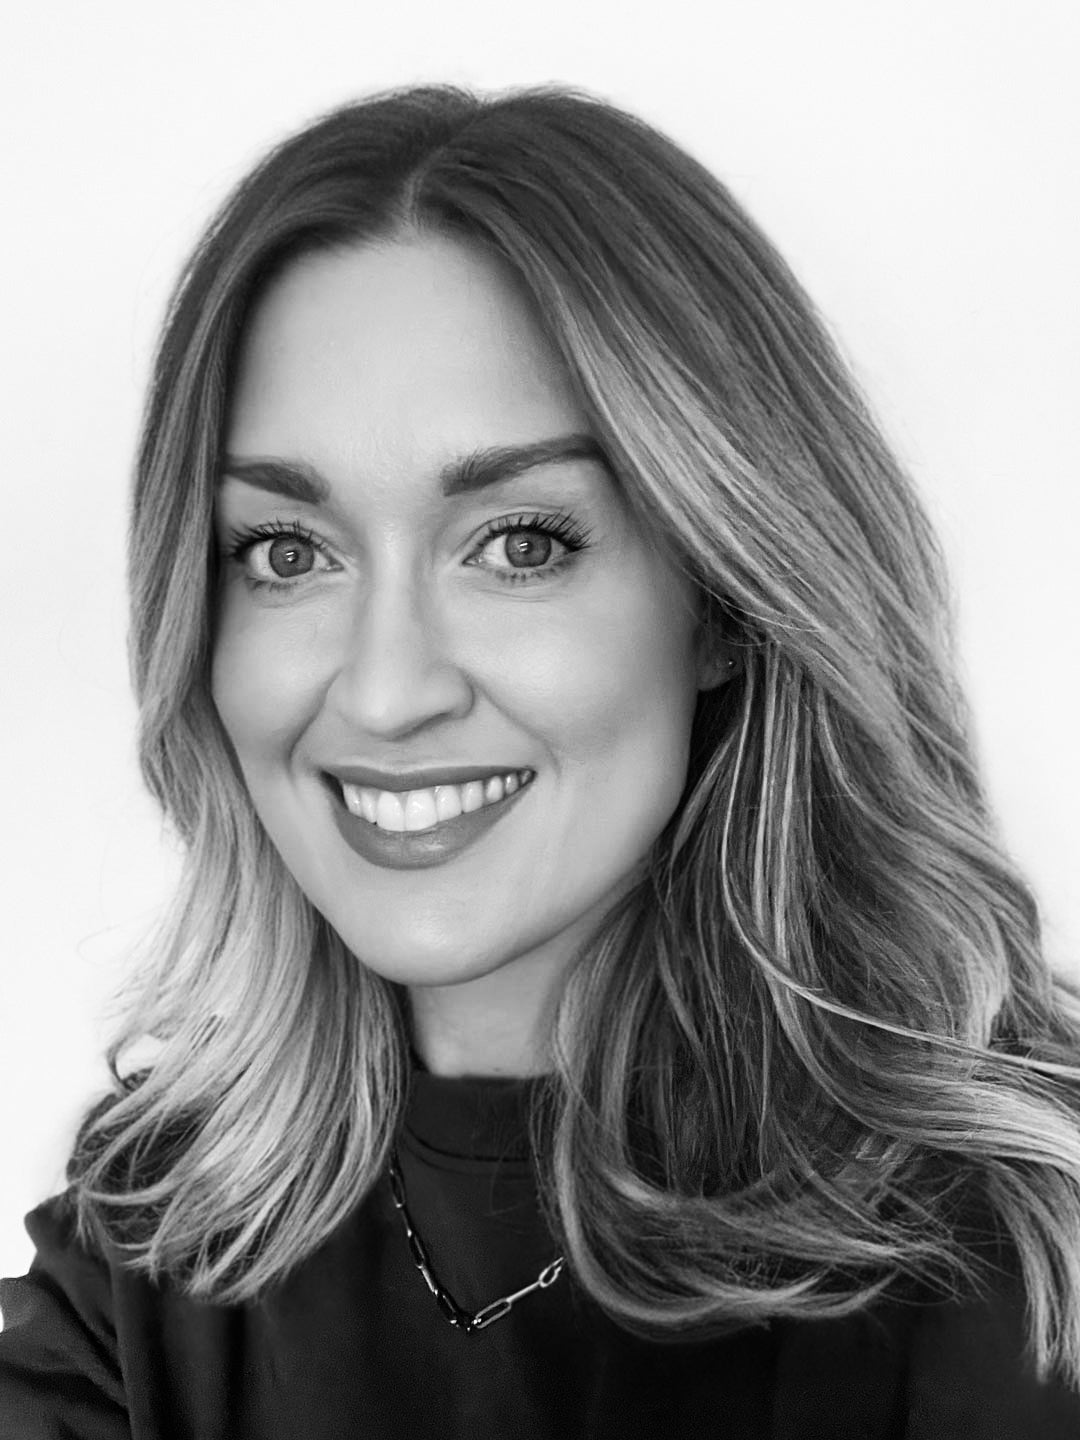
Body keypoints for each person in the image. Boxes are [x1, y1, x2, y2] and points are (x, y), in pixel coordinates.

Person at [2, 80, 1079, 1439]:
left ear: (725, 600)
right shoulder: (149, 1248)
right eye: (286, 551)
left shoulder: (1026, 1260)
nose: (386, 691)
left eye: (519, 545)